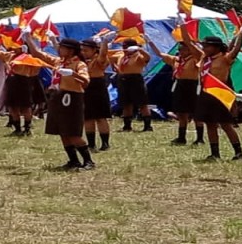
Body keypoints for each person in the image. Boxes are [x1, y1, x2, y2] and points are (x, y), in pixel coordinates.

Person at [28, 35, 94, 170]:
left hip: (72, 98)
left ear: (71, 50)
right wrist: (28, 38)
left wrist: (72, 74)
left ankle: (88, 161)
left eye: (62, 48)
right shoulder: (58, 62)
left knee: (73, 132)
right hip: (57, 97)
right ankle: (73, 160)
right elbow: (37, 54)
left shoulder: (79, 64)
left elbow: (86, 81)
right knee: (62, 131)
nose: (60, 50)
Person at [183, 28, 242, 160]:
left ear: (216, 47)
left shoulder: (225, 58)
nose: (204, 48)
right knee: (210, 123)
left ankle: (238, 152)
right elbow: (188, 42)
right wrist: (183, 25)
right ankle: (215, 153)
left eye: (207, 46)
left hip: (219, 94)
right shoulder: (203, 57)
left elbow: (236, 49)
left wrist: (241, 34)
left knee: (225, 124)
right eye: (204, 45)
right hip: (205, 93)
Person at [149, 36, 201, 146]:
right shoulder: (176, 60)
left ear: (189, 50)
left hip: (192, 85)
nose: (181, 51)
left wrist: (191, 43)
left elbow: (200, 55)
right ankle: (181, 137)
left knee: (196, 112)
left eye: (183, 49)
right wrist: (150, 41)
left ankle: (199, 138)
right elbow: (159, 54)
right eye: (180, 49)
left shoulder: (195, 59)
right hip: (179, 85)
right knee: (181, 112)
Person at [110, 39, 153, 132]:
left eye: (126, 47)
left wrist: (139, 49)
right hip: (123, 78)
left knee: (142, 103)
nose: (124, 49)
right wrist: (113, 65)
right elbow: (108, 56)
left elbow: (148, 57)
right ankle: (127, 126)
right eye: (123, 46)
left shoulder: (138, 56)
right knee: (126, 103)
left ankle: (147, 126)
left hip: (135, 79)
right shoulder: (121, 54)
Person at [80, 39, 114, 151]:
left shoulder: (98, 59)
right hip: (85, 87)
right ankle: (91, 144)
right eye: (82, 50)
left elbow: (103, 54)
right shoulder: (81, 61)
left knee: (100, 117)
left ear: (94, 50)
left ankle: (105, 143)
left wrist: (104, 42)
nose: (83, 52)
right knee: (87, 118)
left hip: (97, 87)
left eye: (86, 50)